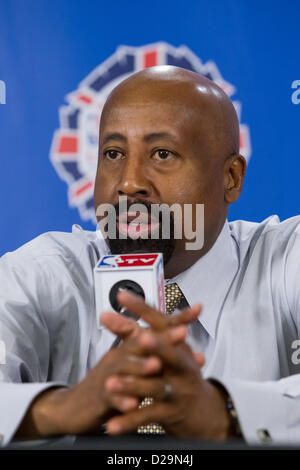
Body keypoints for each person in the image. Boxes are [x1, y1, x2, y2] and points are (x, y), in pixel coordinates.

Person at [0, 65, 299, 447]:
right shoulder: (45, 274)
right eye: (113, 153)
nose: (129, 182)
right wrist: (57, 408)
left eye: (162, 153)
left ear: (231, 178)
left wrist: (227, 412)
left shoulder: (286, 259)